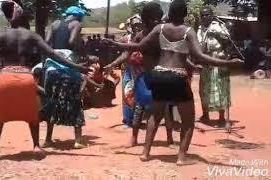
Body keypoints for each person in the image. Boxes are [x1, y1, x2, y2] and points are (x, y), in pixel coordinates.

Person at [103, 0, 243, 165]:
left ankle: (145, 153)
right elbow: (200, 56)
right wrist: (228, 63)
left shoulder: (159, 29)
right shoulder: (188, 31)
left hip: (159, 75)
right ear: (184, 14)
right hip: (178, 76)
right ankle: (181, 157)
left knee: (155, 116)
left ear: (169, 13)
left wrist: (114, 43)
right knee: (188, 121)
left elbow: (138, 45)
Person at [0, 0, 88, 164]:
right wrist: (78, 67)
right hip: (26, 79)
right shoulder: (32, 36)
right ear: (24, 17)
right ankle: (36, 146)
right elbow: (54, 55)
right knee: (32, 115)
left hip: (5, 79)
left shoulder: (2, 36)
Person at [104, 3, 170, 146]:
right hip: (145, 76)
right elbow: (127, 52)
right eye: (153, 19)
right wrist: (112, 64)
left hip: (161, 74)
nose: (156, 21)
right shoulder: (141, 35)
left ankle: (169, 137)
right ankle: (134, 138)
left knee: (164, 109)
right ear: (146, 19)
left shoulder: (163, 33)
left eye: (158, 18)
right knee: (139, 107)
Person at [44, 6, 92, 149]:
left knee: (52, 101)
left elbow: (46, 43)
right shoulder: (76, 24)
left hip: (52, 66)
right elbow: (72, 42)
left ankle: (48, 139)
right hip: (69, 66)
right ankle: (77, 140)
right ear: (78, 16)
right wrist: (83, 51)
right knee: (76, 101)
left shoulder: (54, 24)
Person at [197, 7, 233, 127]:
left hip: (219, 60)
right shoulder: (200, 29)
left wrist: (226, 59)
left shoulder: (218, 26)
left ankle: (222, 118)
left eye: (207, 15)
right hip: (205, 61)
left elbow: (228, 41)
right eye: (202, 15)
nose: (204, 17)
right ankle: (205, 115)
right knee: (204, 89)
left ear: (211, 15)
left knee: (221, 89)